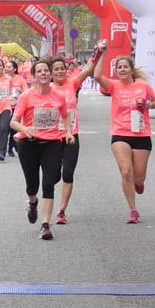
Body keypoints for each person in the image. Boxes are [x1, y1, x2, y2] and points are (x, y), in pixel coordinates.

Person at [93, 47, 155, 224]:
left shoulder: (143, 86)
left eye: (125, 67)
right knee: (126, 172)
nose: (122, 70)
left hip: (141, 134)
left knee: (138, 178)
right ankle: (133, 210)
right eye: (119, 67)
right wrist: (102, 54)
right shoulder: (114, 86)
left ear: (131, 69)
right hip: (120, 134)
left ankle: (139, 184)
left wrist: (147, 105)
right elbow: (97, 76)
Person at [10, 58, 70, 241]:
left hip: (51, 143)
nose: (43, 73)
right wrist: (25, 129)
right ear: (34, 75)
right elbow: (14, 121)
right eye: (40, 71)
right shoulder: (26, 96)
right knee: (32, 185)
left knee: (48, 183)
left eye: (46, 71)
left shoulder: (58, 96)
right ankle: (33, 202)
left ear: (50, 74)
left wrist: (68, 132)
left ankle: (45, 225)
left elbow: (65, 116)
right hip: (28, 144)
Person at [50, 45, 103, 225]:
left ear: (66, 70)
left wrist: (99, 51)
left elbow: (89, 69)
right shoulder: (45, 88)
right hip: (51, 137)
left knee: (69, 173)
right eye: (55, 69)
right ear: (50, 73)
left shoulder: (73, 83)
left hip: (72, 134)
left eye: (62, 69)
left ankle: (62, 210)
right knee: (53, 175)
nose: (59, 72)